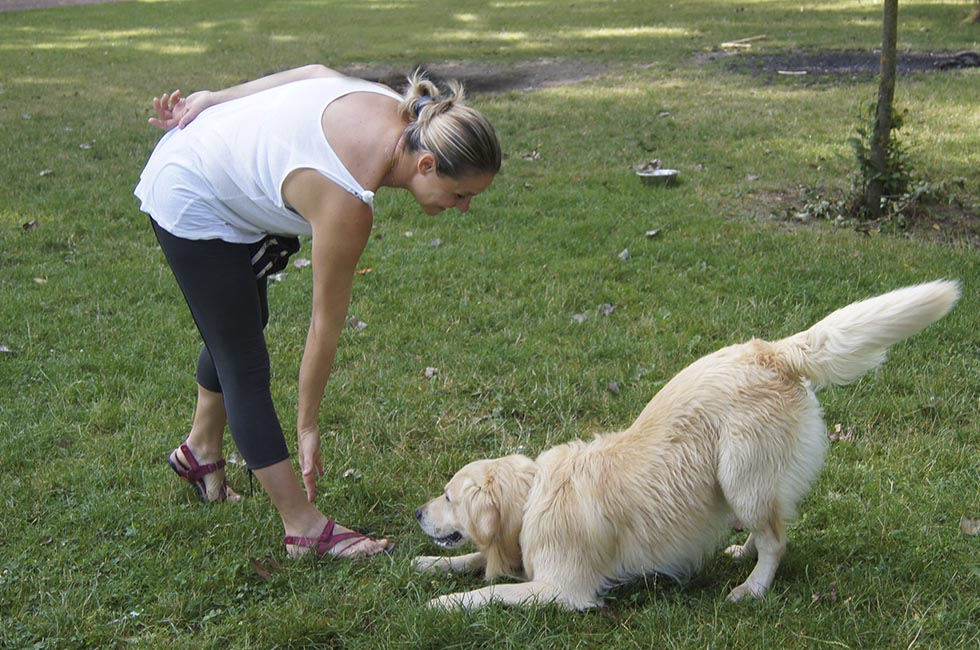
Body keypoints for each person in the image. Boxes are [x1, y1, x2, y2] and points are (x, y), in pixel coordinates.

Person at [135, 64, 501, 559]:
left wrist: (217, 94)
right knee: (243, 361)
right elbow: (323, 326)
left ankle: (199, 452)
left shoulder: (395, 109)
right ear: (427, 164)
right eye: (462, 195)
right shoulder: (348, 201)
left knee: (243, 322)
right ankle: (302, 526)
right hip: (191, 191)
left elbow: (312, 71)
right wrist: (307, 424)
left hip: (216, 164)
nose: (463, 208)